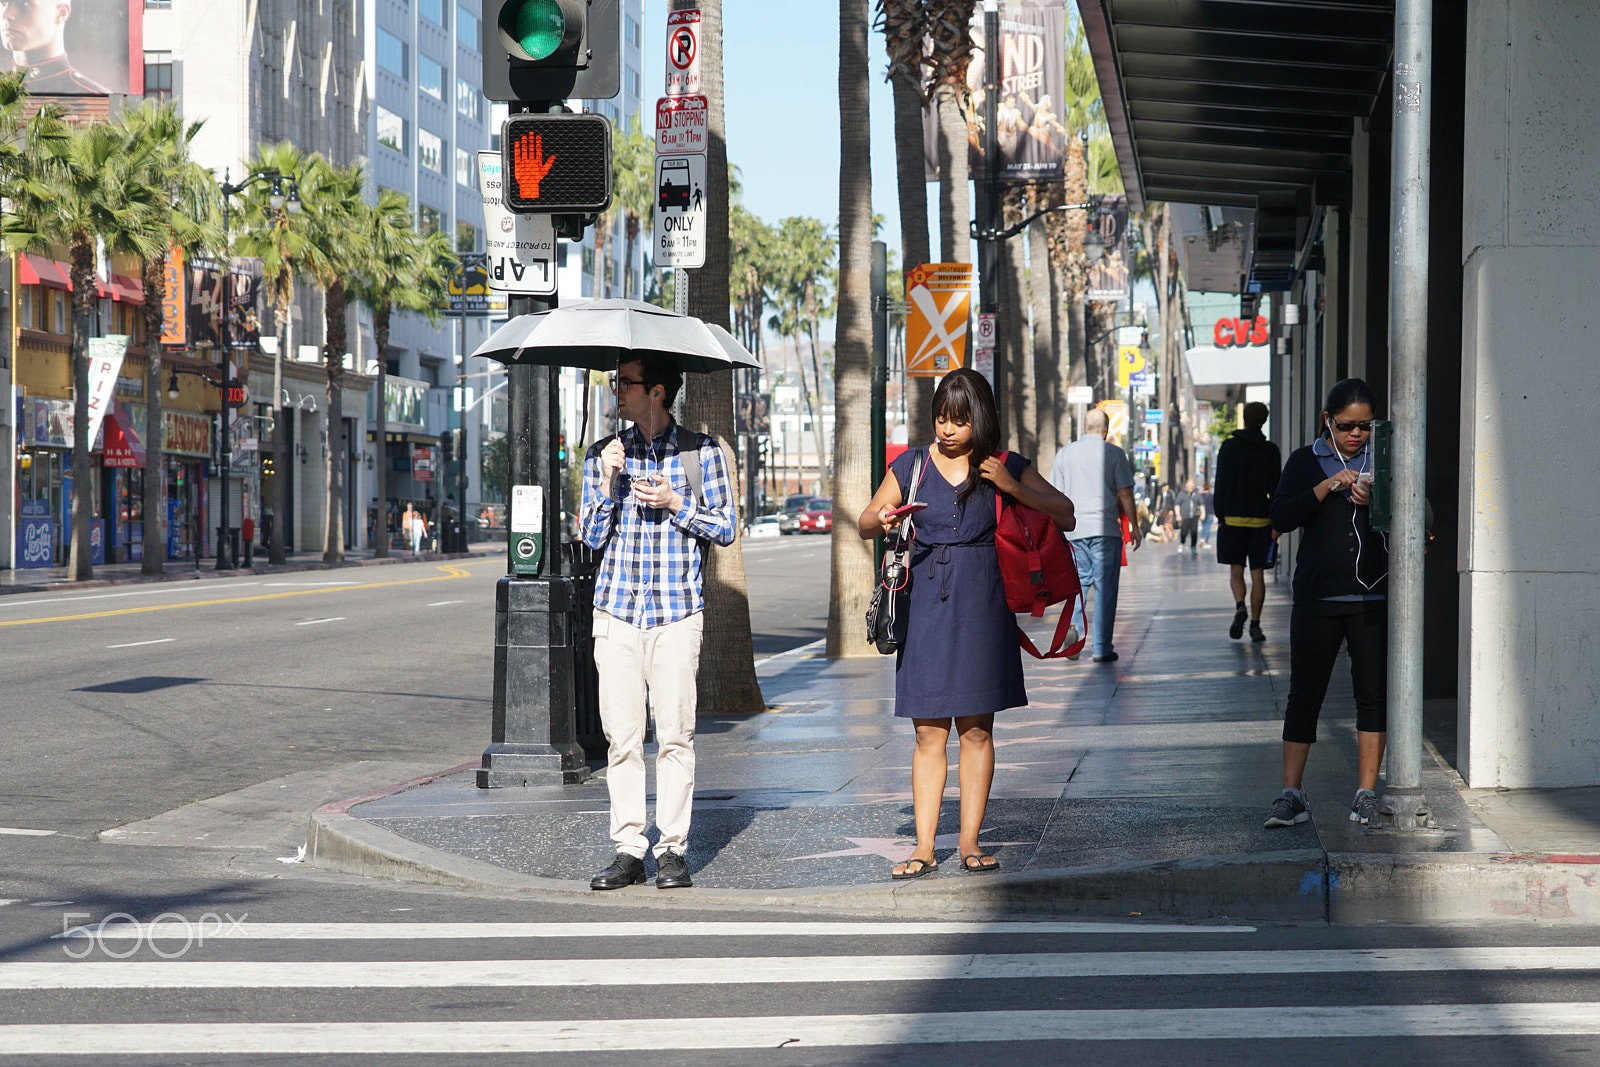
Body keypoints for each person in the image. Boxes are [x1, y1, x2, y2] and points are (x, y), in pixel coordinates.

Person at [859, 369, 1074, 879]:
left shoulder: (1006, 465)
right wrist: (884, 519)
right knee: (928, 731)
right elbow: (866, 518)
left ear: (981, 418)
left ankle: (971, 842)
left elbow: (1064, 513)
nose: (948, 430)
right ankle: (924, 847)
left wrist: (1012, 486)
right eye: (941, 419)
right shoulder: (911, 464)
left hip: (984, 604)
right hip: (927, 604)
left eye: (959, 420)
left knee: (977, 730)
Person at [581, 354, 736, 891]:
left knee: (674, 737)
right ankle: (628, 849)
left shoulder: (702, 453)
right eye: (615, 382)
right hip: (617, 614)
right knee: (621, 740)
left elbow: (727, 527)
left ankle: (672, 849)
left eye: (626, 384)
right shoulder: (604, 454)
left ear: (659, 392)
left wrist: (675, 502)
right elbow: (592, 539)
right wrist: (606, 483)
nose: (617, 392)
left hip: (675, 615)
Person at [1264, 379, 1390, 830]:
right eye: (1346, 426)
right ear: (1327, 421)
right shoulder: (1304, 461)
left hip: (1370, 595)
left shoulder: (1387, 459)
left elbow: (1425, 515)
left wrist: (1380, 500)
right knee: (1305, 695)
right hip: (1317, 597)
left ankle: (1366, 793)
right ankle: (1291, 795)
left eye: (1365, 426)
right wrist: (1326, 487)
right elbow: (1279, 518)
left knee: (1372, 696)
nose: (1356, 435)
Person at [1048, 407, 1140, 664]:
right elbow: (1124, 493)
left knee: (1077, 586)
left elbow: (1055, 494)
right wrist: (1135, 526)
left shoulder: (1065, 454)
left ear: (1083, 427)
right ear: (1106, 430)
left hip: (1075, 530)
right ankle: (1101, 648)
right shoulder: (1114, 453)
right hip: (1105, 529)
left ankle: (1076, 638)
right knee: (1106, 589)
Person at [1214, 401, 1283, 642]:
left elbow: (1220, 484)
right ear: (1264, 420)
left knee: (1236, 570)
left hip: (1232, 518)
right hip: (1261, 521)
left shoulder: (1228, 447)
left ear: (1244, 417)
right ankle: (1255, 625)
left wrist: (1220, 516)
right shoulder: (1271, 450)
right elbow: (1276, 489)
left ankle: (1240, 605)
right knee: (1258, 575)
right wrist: (1276, 522)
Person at [1, 0, 110, 94]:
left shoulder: (97, 99)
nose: (6, 15)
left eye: (25, 3)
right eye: (3, 3)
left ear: (61, 13)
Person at [1174, 478, 1201, 554]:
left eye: (1192, 486)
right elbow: (1177, 505)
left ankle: (1193, 547)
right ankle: (1182, 543)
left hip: (1194, 516)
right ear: (1186, 486)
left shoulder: (1196, 493)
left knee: (1194, 532)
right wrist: (1178, 515)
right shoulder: (1181, 494)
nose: (1191, 488)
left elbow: (1201, 504)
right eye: (1189, 486)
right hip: (1185, 516)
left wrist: (1203, 513)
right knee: (1184, 532)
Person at [1199, 480, 1215, 547]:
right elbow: (1214, 505)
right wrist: (1214, 514)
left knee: (1203, 527)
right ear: (1209, 488)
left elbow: (1199, 504)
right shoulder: (1211, 496)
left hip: (1203, 513)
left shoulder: (1201, 495)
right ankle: (1206, 541)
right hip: (1210, 513)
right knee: (1208, 527)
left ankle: (1202, 539)